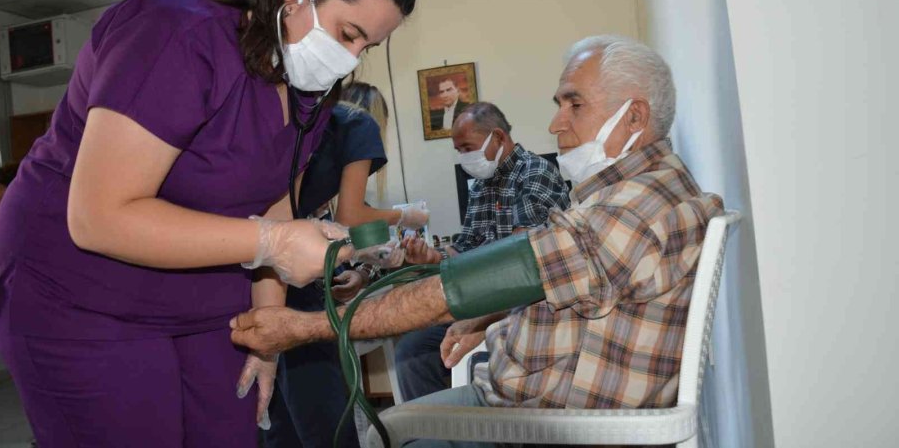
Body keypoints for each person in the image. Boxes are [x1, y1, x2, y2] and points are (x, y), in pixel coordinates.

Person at [0, 0, 418, 448]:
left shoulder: (308, 87)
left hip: (206, 295)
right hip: (83, 290)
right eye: (347, 33)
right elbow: (99, 216)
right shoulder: (177, 31)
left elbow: (275, 202)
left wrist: (268, 330)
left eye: (368, 45)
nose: (350, 58)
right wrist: (272, 242)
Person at [231, 36, 725, 448]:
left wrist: (306, 326)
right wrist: (483, 317)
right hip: (530, 391)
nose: (556, 123)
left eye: (575, 104)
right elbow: (536, 273)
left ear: (635, 117)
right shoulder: (637, 189)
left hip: (547, 422)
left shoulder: (630, 212)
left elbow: (476, 282)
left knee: (387, 432)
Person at [264, 81, 429, 448]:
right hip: (294, 279)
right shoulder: (357, 129)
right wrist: (404, 215)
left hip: (265, 271)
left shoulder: (304, 130)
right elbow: (353, 220)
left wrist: (365, 267)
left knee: (282, 413)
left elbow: (349, 240)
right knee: (322, 407)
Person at [395, 102, 569, 401]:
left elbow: (520, 261)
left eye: (467, 147)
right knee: (412, 351)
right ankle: (437, 432)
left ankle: (459, 426)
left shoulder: (535, 173)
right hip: (480, 301)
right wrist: (431, 257)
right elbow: (465, 248)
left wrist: (475, 315)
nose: (464, 157)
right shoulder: (481, 187)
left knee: (420, 350)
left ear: (498, 137)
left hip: (521, 306)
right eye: (459, 150)